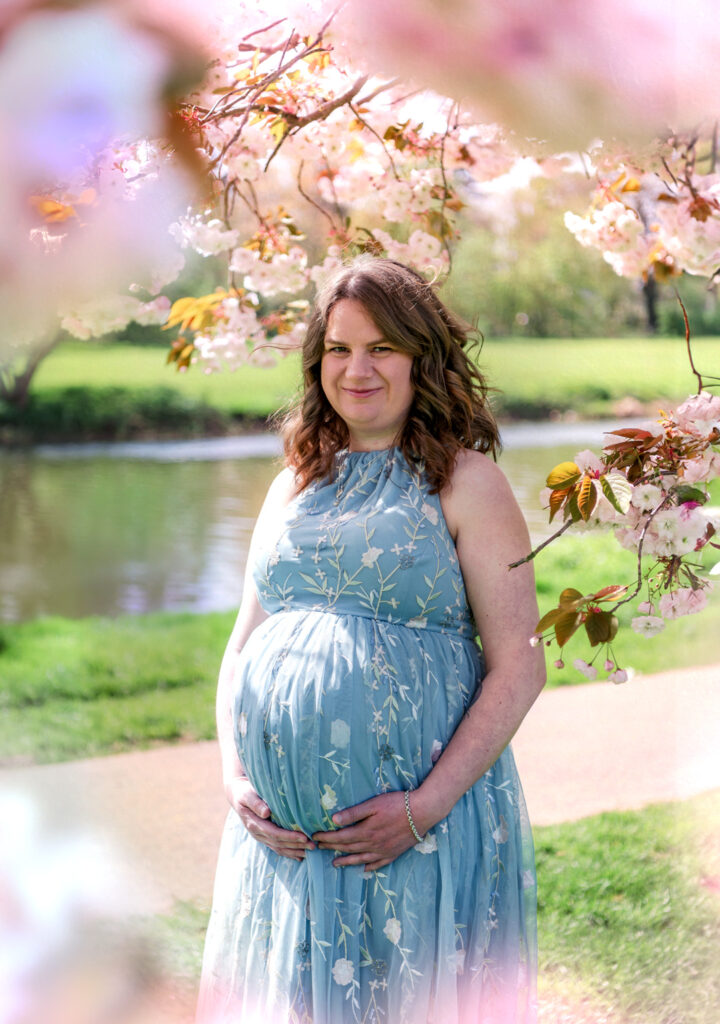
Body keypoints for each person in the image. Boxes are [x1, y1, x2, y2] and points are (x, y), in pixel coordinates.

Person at [196, 256, 546, 1024]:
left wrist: (423, 807)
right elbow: (242, 645)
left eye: (382, 347)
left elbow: (519, 664)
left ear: (424, 356)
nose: (356, 369)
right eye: (339, 348)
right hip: (281, 852)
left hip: (415, 836)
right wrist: (234, 779)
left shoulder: (465, 480)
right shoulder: (294, 479)